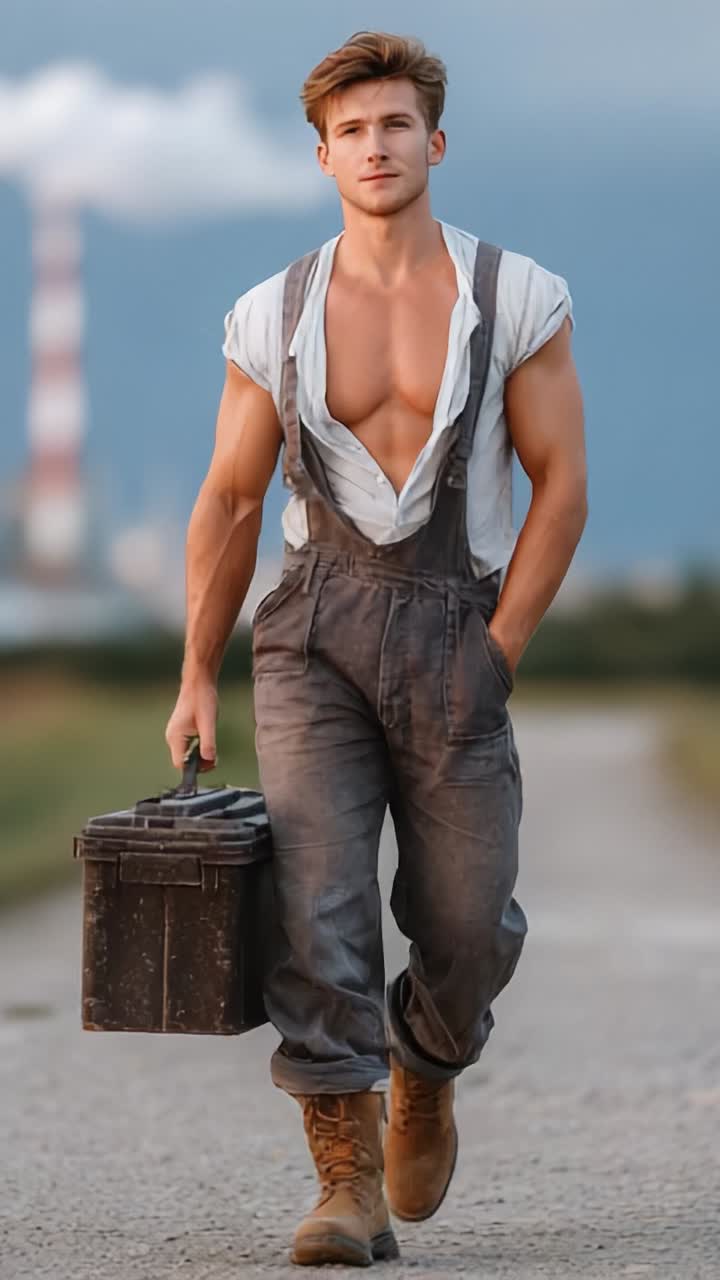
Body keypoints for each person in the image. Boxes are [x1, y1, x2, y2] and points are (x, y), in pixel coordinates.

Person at [165, 30, 587, 1269]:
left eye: (396, 124)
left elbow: (560, 488)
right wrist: (197, 667)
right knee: (319, 900)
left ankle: (428, 1060)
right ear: (322, 156)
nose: (376, 145)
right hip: (312, 635)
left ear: (434, 142)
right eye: (352, 130)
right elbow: (231, 500)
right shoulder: (271, 313)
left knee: (466, 924)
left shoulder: (517, 294)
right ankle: (344, 1181)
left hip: (461, 618)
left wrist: (501, 649)